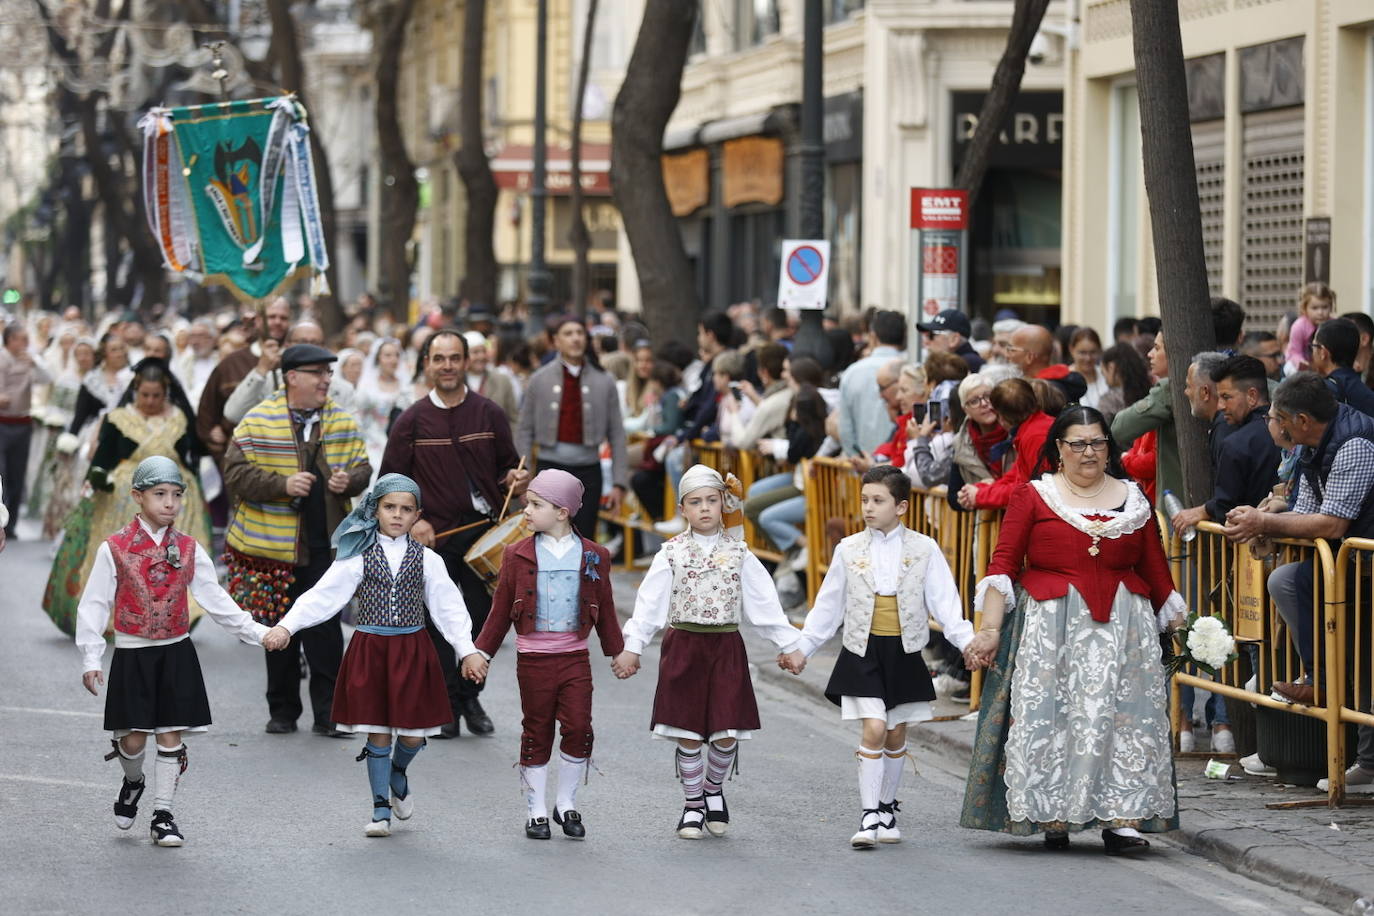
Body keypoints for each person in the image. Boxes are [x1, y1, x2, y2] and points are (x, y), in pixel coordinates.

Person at [961, 406, 1185, 853]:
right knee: (1055, 719)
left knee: (1121, 722)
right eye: (1078, 443)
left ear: (1109, 447)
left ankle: (1121, 819)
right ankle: (1053, 813)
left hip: (1125, 632)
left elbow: (1157, 574)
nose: (1089, 451)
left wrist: (1187, 628)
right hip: (1052, 629)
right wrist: (988, 630)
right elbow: (1003, 565)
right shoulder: (1034, 496)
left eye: (1098, 442)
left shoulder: (1134, 497)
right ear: (1059, 449)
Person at [262, 474, 484, 836]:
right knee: (378, 730)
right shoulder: (357, 556)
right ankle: (380, 808)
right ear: (376, 509)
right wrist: (287, 626)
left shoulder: (429, 560)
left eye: (406, 509)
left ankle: (398, 771)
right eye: (389, 507)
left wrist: (467, 650)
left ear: (417, 515)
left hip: (413, 651)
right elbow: (323, 595)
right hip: (371, 649)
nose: (397, 515)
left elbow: (449, 608)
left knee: (412, 734)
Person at [76, 456, 270, 846]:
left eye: (176, 495)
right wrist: (92, 658)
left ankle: (163, 814)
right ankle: (133, 781)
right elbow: (94, 604)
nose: (169, 503)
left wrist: (257, 632)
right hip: (133, 652)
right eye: (159, 494)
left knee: (169, 734)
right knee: (133, 740)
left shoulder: (188, 547)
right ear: (137, 496)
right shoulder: (113, 548)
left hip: (175, 650)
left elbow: (213, 597)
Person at [779, 465, 974, 848]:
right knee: (873, 727)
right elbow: (829, 605)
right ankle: (868, 815)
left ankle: (886, 808)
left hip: (903, 652)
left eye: (878, 500)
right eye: (865, 499)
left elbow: (945, 602)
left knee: (896, 731)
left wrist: (967, 641)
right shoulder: (848, 549)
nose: (868, 507)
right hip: (862, 650)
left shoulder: (924, 548)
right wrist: (803, 648)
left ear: (901, 506)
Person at [613, 465, 802, 840]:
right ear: (683, 508)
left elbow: (764, 604)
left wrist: (790, 645)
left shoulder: (740, 553)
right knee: (686, 731)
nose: (704, 509)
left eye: (711, 501)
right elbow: (649, 605)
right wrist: (632, 648)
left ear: (722, 504)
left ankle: (714, 789)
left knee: (726, 730)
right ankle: (693, 803)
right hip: (684, 646)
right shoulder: (671, 553)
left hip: (726, 646)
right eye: (695, 502)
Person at [381, 329, 527, 738]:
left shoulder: (489, 413)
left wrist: (515, 477)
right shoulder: (410, 420)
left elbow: (507, 469)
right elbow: (390, 483)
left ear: (467, 362)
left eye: (454, 357)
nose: (447, 365)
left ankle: (469, 696)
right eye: (439, 358)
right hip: (433, 538)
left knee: (483, 621)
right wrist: (414, 520)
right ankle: (445, 702)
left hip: (485, 536)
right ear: (427, 363)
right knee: (440, 622)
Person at [465, 469, 625, 840]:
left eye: (536, 504)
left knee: (579, 727)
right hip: (533, 660)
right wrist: (480, 653)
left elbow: (606, 606)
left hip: (574, 658)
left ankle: (565, 803)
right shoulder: (516, 554)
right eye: (528, 503)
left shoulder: (594, 556)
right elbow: (501, 608)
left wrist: (618, 652)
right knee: (537, 730)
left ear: (562, 512)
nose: (527, 510)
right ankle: (536, 809)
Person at [223, 343, 373, 737]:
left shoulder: (340, 420)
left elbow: (363, 466)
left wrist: (350, 480)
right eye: (318, 373)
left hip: (327, 544)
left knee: (325, 629)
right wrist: (281, 484)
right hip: (274, 546)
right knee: (279, 627)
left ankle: (329, 713)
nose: (327, 380)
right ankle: (283, 711)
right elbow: (234, 474)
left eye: (328, 373)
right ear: (292, 377)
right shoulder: (258, 420)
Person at [43, 359, 210, 636]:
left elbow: (191, 454)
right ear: (135, 391)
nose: (150, 400)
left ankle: (169, 617)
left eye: (156, 395)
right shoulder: (118, 418)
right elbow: (103, 457)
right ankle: (119, 613)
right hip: (125, 495)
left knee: (170, 561)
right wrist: (94, 481)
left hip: (174, 496)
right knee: (126, 560)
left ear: (165, 392)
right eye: (145, 395)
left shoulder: (179, 418)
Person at [516, 315, 629, 539]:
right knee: (547, 536)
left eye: (579, 333)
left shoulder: (604, 380)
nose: (575, 339)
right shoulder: (539, 379)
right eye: (568, 334)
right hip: (549, 468)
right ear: (556, 341)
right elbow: (525, 430)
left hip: (589, 471)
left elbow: (617, 432)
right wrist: (525, 478)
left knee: (584, 538)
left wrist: (619, 482)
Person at [197, 297, 292, 467]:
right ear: (257, 321)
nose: (278, 322)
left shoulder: (295, 361)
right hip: (241, 461)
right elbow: (207, 411)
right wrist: (213, 437)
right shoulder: (231, 363)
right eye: (271, 316)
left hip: (287, 457)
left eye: (283, 318)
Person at [956, 378, 1054, 510]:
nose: (984, 404)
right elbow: (1014, 476)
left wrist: (979, 495)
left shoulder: (1034, 436)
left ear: (1002, 417)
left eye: (987, 397)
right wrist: (981, 490)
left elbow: (1026, 489)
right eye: (974, 401)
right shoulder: (1029, 432)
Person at [1112, 330, 1183, 500]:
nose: (1150, 355)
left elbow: (1119, 428)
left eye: (1157, 349)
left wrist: (1125, 459)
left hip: (1174, 500)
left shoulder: (1169, 390)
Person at [0, 323, 51, 536]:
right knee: (1, 475)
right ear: (10, 340)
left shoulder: (30, 360)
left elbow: (47, 379)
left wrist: (36, 363)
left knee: (17, 476)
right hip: (2, 422)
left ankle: (11, 525)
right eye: (21, 339)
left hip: (23, 422)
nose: (25, 344)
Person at [838, 310, 906, 456]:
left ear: (873, 337)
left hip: (865, 464)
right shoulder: (911, 367)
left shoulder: (852, 373)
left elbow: (845, 428)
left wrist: (856, 459)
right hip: (901, 462)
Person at [354, 337, 415, 480]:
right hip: (373, 444)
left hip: (401, 443)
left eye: (396, 355)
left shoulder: (406, 386)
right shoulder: (367, 387)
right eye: (387, 355)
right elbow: (359, 419)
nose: (393, 360)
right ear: (378, 358)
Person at [1005, 325, 1087, 404]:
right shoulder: (1066, 382)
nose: (1007, 355)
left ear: (1030, 357)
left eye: (1012, 350)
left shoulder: (1041, 393)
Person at [1312, 318, 1374, 417]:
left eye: (1313, 346)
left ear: (1323, 352)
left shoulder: (1320, 394)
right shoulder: (1368, 394)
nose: (1312, 352)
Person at [464, 331, 519, 421]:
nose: (481, 356)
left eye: (483, 351)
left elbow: (513, 418)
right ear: (465, 356)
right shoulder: (457, 382)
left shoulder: (502, 380)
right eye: (475, 352)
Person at [1284, 283, 1336, 374]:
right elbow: (1295, 351)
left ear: (1331, 306)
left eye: (1325, 307)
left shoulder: (1334, 325)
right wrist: (1300, 362)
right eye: (1314, 308)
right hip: (1303, 364)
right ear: (1304, 308)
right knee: (1290, 368)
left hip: (1326, 364)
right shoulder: (1299, 326)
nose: (1320, 312)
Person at [1096, 342, 1152, 425]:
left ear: (1111, 367)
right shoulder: (1150, 391)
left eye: (1103, 373)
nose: (1106, 381)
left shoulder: (1108, 401)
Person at [918, 309, 985, 372]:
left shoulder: (965, 363)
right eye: (925, 336)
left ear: (954, 339)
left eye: (931, 335)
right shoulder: (959, 362)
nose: (925, 342)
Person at [1069, 328, 1108, 409]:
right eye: (1082, 353)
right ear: (1071, 350)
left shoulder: (1106, 375)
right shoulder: (1065, 378)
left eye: (1093, 352)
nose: (1088, 358)